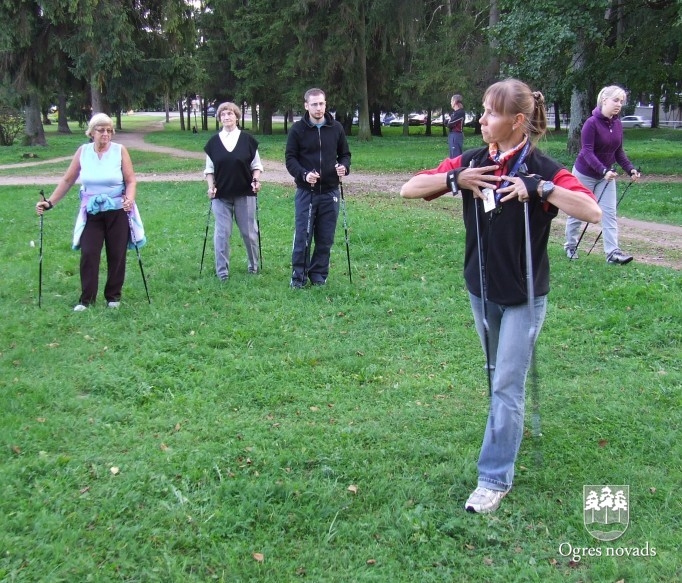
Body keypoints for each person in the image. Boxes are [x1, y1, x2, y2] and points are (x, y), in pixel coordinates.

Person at [400, 79, 601, 514]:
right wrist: (454, 179)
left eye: (490, 113)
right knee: (498, 378)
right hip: (482, 289)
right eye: (483, 111)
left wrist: (541, 189)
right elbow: (408, 188)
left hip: (524, 297)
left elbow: (592, 212)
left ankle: (493, 479)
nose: (481, 120)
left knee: (507, 384)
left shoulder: (544, 168)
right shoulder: (473, 162)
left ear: (518, 121)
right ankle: (508, 429)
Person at [35, 113, 138, 311]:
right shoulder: (83, 152)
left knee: (117, 254)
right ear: (91, 133)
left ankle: (113, 297)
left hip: (117, 210)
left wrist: (130, 199)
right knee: (89, 253)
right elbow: (67, 180)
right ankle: (87, 299)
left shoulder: (120, 150)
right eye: (101, 130)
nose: (106, 134)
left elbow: (131, 180)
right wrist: (50, 202)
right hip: (92, 212)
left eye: (109, 130)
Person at [564, 85, 641, 264]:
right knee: (578, 212)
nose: (618, 105)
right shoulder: (591, 123)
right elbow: (587, 152)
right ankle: (570, 246)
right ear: (604, 100)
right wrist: (603, 170)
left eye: (621, 102)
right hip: (584, 174)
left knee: (609, 213)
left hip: (606, 177)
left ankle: (613, 253)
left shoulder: (617, 124)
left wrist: (630, 169)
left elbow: (618, 152)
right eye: (615, 100)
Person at [285, 88, 351, 288]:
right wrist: (304, 174)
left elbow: (345, 155)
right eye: (314, 104)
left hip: (330, 191)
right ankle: (298, 276)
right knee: (303, 235)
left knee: (325, 237)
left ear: (325, 104)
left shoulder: (336, 128)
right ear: (306, 106)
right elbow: (290, 159)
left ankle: (319, 275)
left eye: (321, 103)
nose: (318, 108)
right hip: (307, 192)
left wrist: (344, 167)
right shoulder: (298, 129)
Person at [204, 101, 263, 280]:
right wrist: (210, 187)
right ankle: (222, 272)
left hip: (245, 193)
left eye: (230, 114)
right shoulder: (213, 143)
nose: (226, 117)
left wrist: (256, 180)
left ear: (236, 116)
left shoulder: (247, 140)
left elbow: (257, 166)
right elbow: (209, 169)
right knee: (222, 234)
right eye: (223, 114)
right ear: (219, 118)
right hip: (221, 195)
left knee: (249, 233)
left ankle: (254, 266)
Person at [447, 94, 466, 158]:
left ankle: (457, 168)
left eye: (451, 101)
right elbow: (447, 122)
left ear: (455, 102)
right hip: (452, 135)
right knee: (452, 155)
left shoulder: (460, 113)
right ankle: (453, 168)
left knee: (456, 155)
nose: (450, 103)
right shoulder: (454, 113)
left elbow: (450, 124)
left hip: (456, 135)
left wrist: (449, 121)